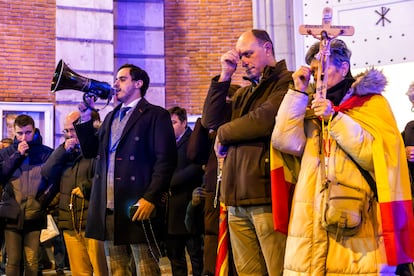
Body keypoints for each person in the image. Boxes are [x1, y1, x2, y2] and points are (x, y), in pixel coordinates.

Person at [272, 39, 414, 274]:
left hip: (357, 223)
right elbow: (285, 142)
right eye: (314, 71)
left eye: (323, 69)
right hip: (310, 217)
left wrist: (335, 119)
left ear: (344, 68)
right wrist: (297, 92)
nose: (318, 77)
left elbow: (374, 157)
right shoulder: (307, 105)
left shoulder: (371, 104)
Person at [202, 29, 293, 275]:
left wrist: (223, 133)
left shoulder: (288, 82)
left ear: (267, 48)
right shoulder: (243, 93)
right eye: (240, 56)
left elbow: (263, 120)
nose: (243, 61)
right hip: (235, 199)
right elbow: (210, 121)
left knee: (278, 269)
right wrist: (225, 74)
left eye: (248, 54)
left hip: (266, 197)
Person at [74, 64, 177, 276]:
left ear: (138, 84)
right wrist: (86, 116)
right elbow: (90, 151)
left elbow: (165, 161)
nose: (115, 84)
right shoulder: (111, 117)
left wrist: (151, 197)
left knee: (146, 269)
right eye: (116, 79)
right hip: (109, 208)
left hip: (137, 205)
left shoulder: (155, 115)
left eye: (122, 79)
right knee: (117, 270)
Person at [41, 110, 108, 276]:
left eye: (73, 130)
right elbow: (47, 172)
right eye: (66, 131)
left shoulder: (97, 149)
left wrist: (86, 188)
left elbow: (105, 178)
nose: (70, 135)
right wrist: (62, 150)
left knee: (101, 270)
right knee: (79, 272)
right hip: (70, 221)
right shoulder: (65, 153)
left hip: (92, 222)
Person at [0, 114, 53, 276]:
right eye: (20, 133)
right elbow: (1, 176)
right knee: (13, 261)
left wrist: (43, 202)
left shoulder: (45, 153)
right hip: (12, 215)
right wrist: (17, 154)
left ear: (34, 130)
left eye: (28, 132)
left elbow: (54, 180)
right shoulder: (6, 152)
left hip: (34, 214)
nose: (24, 137)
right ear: (14, 133)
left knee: (32, 261)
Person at [166, 106, 204, 276]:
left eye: (173, 122)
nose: (170, 126)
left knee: (196, 255)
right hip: (172, 208)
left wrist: (169, 182)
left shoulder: (192, 140)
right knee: (175, 255)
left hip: (189, 203)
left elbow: (197, 166)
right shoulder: (167, 143)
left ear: (183, 122)